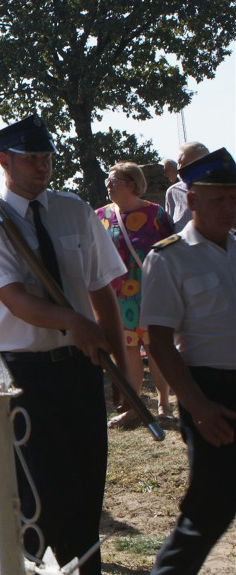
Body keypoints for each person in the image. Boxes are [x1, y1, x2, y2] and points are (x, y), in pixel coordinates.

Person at [0, 115, 126, 574]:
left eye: (46, 156)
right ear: (4, 161)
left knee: (84, 484)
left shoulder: (74, 210)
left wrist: (114, 361)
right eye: (30, 158)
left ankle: (84, 566)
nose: (41, 165)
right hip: (20, 375)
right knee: (34, 496)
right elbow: (13, 298)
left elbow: (102, 289)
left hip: (78, 367)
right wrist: (71, 321)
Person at [143, 148, 236, 575]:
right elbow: (159, 341)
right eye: (218, 199)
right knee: (210, 506)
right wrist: (196, 406)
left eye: (234, 197)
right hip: (212, 391)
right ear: (192, 200)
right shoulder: (169, 257)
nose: (229, 207)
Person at [96, 162, 175, 428]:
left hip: (153, 294)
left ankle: (164, 404)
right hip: (118, 298)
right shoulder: (100, 217)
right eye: (107, 180)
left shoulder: (156, 214)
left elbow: (172, 253)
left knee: (156, 348)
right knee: (128, 350)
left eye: (114, 180)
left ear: (132, 184)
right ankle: (135, 406)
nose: (108, 184)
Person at [164, 142, 211, 231]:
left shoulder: (221, 189)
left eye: (185, 164)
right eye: (179, 163)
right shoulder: (173, 191)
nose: (179, 168)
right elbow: (169, 227)